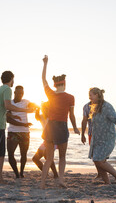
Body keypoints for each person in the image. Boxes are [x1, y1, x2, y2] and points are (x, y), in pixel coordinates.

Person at [40, 55, 80, 189]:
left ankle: (42, 183)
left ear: (55, 85)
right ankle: (61, 180)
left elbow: (43, 79)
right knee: (62, 157)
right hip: (62, 127)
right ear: (64, 83)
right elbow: (72, 115)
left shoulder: (50, 94)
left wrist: (45, 63)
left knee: (49, 158)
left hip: (50, 127)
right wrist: (75, 128)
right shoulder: (70, 97)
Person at [88, 87, 116, 185]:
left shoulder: (107, 106)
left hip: (107, 139)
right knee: (97, 161)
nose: (89, 97)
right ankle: (107, 183)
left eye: (91, 95)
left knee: (99, 160)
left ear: (97, 95)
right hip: (97, 139)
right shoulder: (94, 107)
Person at [6, 85, 37, 178]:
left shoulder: (26, 102)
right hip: (13, 132)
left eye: (22, 93)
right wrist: (23, 124)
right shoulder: (9, 104)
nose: (20, 94)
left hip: (25, 133)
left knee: (24, 154)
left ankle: (21, 172)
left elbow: (35, 106)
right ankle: (16, 174)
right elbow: (9, 120)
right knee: (10, 154)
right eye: (18, 92)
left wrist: (35, 108)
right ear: (14, 93)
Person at [32, 102, 58, 178]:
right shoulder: (42, 117)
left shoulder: (53, 118)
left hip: (53, 141)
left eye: (47, 108)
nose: (45, 110)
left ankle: (55, 175)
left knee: (48, 157)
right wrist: (37, 109)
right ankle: (46, 172)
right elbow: (37, 117)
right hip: (45, 141)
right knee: (35, 158)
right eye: (44, 108)